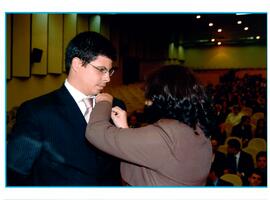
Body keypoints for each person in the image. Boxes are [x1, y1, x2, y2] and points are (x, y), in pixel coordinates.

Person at [7, 31, 125, 186]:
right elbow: (16, 173)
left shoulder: (116, 106)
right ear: (77, 64)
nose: (108, 78)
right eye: (101, 69)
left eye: (110, 71)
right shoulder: (36, 112)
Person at [86, 65, 213, 186]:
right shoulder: (198, 131)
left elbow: (96, 132)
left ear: (163, 98)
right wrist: (124, 129)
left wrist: (105, 101)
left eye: (151, 96)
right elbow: (154, 161)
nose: (147, 102)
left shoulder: (165, 135)